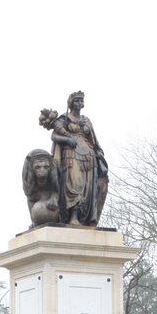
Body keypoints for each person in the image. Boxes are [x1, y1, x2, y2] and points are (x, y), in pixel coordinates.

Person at [49, 91, 108, 226]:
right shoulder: (64, 119)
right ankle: (73, 216)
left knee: (87, 188)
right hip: (71, 155)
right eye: (77, 101)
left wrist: (99, 154)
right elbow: (54, 136)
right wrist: (67, 140)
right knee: (75, 185)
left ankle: (84, 216)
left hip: (89, 157)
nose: (80, 103)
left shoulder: (86, 120)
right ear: (71, 103)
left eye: (81, 101)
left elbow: (93, 139)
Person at [22, 148, 60, 226]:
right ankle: (34, 221)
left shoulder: (53, 170)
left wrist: (54, 198)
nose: (42, 171)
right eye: (38, 167)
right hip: (34, 195)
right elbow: (30, 195)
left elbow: (57, 189)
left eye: (46, 167)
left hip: (52, 200)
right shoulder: (28, 174)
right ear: (32, 167)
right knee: (31, 196)